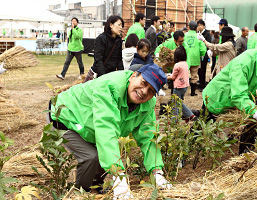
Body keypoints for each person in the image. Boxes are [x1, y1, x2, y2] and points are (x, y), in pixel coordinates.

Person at [48, 64, 172, 198]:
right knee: (91, 156)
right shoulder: (108, 86)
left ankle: (96, 184)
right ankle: (80, 193)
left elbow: (148, 135)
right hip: (65, 115)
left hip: (89, 125)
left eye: (151, 91)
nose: (144, 91)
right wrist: (119, 175)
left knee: (108, 150)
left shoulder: (147, 104)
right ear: (133, 76)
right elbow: (105, 128)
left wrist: (156, 171)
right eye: (143, 83)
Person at [193, 43, 257, 155]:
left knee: (252, 122)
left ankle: (245, 154)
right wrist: (255, 112)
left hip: (242, 99)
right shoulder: (244, 62)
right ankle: (185, 149)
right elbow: (237, 94)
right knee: (203, 123)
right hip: (218, 97)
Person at [86, 15, 124, 81]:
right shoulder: (101, 39)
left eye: (122, 26)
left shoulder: (118, 41)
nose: (121, 28)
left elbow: (119, 60)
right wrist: (103, 78)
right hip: (99, 74)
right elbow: (98, 60)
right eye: (119, 25)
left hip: (111, 74)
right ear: (111, 25)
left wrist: (122, 76)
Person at [167, 46, 197, 121]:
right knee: (179, 102)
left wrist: (166, 77)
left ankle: (176, 119)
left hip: (178, 86)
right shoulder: (185, 64)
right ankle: (187, 116)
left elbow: (173, 77)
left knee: (175, 103)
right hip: (185, 86)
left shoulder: (177, 65)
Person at [184, 21, 206, 96]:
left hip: (185, 58)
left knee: (184, 74)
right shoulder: (198, 36)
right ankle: (193, 92)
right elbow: (203, 48)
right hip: (195, 58)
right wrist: (202, 55)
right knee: (194, 76)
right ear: (196, 27)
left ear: (189, 27)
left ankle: (182, 91)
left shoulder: (185, 35)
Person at [197, 19, 212, 91]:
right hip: (199, 54)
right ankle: (200, 82)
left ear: (203, 26)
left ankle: (202, 85)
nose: (199, 27)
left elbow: (209, 43)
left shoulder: (207, 33)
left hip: (205, 55)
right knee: (199, 70)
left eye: (201, 25)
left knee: (203, 69)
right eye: (198, 25)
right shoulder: (197, 33)